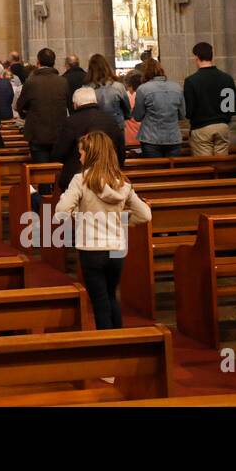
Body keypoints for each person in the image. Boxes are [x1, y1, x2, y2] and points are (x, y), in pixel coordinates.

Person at [54, 132, 152, 330]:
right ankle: (119, 340)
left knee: (99, 301)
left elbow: (61, 211)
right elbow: (145, 215)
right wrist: (123, 222)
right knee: (110, 296)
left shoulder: (80, 180)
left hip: (92, 248)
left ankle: (107, 343)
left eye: (81, 153)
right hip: (116, 248)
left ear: (90, 155)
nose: (79, 157)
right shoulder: (122, 183)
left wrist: (79, 218)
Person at [52, 87, 126, 190]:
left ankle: (47, 206)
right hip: (107, 177)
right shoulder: (110, 120)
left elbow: (59, 153)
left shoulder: (70, 122)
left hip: (76, 177)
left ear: (75, 104)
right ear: (95, 101)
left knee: (49, 203)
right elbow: (121, 151)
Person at [183, 42, 236, 156]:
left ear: (197, 57)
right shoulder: (226, 78)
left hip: (201, 127)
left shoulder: (191, 81)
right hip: (222, 126)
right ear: (211, 56)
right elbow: (231, 107)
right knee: (221, 165)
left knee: (205, 165)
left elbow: (189, 111)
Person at [15, 48, 70, 163]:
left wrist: (25, 114)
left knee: (42, 171)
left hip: (37, 134)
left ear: (38, 62)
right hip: (59, 133)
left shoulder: (31, 82)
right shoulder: (63, 82)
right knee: (57, 171)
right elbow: (69, 106)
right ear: (54, 63)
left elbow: (19, 106)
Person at [131, 60, 186, 158]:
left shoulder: (143, 89)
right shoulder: (177, 87)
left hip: (150, 138)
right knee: (172, 171)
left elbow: (138, 117)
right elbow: (182, 115)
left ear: (145, 73)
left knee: (154, 170)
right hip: (173, 137)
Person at [87, 53, 130, 130]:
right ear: (106, 67)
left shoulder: (86, 88)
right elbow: (127, 108)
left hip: (95, 127)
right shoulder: (118, 86)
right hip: (116, 125)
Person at [122, 70, 143, 149]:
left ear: (128, 84)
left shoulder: (124, 96)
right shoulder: (146, 96)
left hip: (127, 140)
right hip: (144, 139)